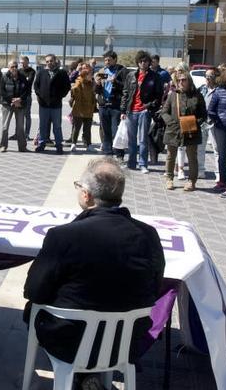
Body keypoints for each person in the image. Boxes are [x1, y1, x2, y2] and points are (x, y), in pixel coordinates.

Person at [23, 157, 165, 368]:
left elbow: (34, 291)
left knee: (32, 309)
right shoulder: (148, 234)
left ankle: (79, 375)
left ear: (86, 195)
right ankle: (87, 377)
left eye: (78, 186)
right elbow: (155, 287)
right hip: (125, 341)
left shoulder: (63, 236)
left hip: (70, 341)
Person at [161, 68, 206, 191]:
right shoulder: (172, 95)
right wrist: (171, 123)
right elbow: (164, 112)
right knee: (171, 155)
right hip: (173, 130)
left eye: (184, 80)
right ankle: (169, 179)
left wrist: (194, 123)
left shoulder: (197, 95)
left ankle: (192, 181)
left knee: (192, 157)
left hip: (191, 130)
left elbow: (203, 114)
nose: (181, 82)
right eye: (179, 80)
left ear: (189, 81)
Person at [120, 51, 163, 172]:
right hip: (131, 111)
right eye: (140, 61)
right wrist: (123, 110)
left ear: (149, 62)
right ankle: (131, 163)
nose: (143, 63)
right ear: (137, 62)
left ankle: (143, 164)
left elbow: (159, 96)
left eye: (145, 61)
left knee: (143, 139)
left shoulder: (155, 77)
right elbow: (126, 93)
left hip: (144, 111)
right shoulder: (131, 75)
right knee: (131, 139)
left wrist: (149, 106)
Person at [33, 54, 72, 153]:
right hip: (44, 105)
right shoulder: (41, 73)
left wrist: (60, 96)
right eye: (47, 61)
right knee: (43, 126)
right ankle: (41, 144)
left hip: (56, 105)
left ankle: (59, 145)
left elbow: (67, 86)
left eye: (51, 61)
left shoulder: (61, 73)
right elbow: (36, 86)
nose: (49, 63)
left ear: (55, 61)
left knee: (57, 126)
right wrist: (40, 97)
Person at [94, 51, 126, 156]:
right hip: (104, 105)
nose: (107, 62)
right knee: (105, 131)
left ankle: (119, 153)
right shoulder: (102, 71)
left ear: (115, 59)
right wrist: (98, 84)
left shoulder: (121, 71)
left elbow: (126, 87)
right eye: (105, 60)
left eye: (109, 60)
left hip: (115, 105)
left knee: (115, 131)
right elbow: (97, 90)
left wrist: (115, 82)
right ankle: (107, 152)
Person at [0, 61, 29, 152]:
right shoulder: (4, 77)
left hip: (20, 105)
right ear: (9, 67)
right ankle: (3, 146)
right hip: (8, 105)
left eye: (15, 66)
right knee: (5, 126)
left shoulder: (22, 77)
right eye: (12, 67)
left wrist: (20, 100)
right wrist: (12, 101)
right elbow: (2, 91)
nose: (14, 68)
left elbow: (26, 91)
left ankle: (22, 147)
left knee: (20, 127)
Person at [68, 62, 96, 152]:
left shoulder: (91, 83)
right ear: (85, 75)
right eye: (89, 75)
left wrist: (93, 105)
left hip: (88, 109)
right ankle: (73, 143)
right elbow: (75, 89)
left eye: (91, 74)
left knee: (87, 129)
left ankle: (88, 144)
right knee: (76, 128)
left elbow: (93, 95)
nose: (90, 76)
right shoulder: (79, 81)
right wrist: (74, 89)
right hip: (79, 108)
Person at [198, 67, 219, 179]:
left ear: (215, 78)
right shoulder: (202, 89)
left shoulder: (219, 90)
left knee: (216, 149)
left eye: (210, 76)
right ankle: (201, 170)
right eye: (206, 76)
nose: (208, 79)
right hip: (203, 122)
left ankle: (218, 173)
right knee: (200, 148)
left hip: (214, 123)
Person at [20, 56, 37, 140]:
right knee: (19, 115)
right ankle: (19, 133)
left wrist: (22, 81)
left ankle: (27, 134)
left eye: (23, 62)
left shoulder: (32, 71)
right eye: (21, 62)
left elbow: (29, 82)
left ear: (27, 62)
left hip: (27, 96)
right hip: (19, 96)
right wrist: (24, 80)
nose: (22, 64)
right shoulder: (19, 71)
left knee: (27, 115)